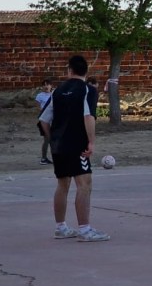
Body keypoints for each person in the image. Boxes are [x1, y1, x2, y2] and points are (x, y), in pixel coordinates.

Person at [38, 55, 110, 242]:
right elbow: (89, 116)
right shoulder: (88, 90)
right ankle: (85, 230)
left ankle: (60, 227)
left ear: (69, 70)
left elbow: (43, 120)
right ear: (86, 71)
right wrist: (91, 142)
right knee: (84, 184)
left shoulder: (58, 91)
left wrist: (52, 138)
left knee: (62, 184)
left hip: (58, 145)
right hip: (77, 144)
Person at [35, 78, 54, 165]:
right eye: (44, 85)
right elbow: (39, 108)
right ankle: (43, 158)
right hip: (45, 119)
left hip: (53, 119)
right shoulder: (40, 96)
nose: (46, 86)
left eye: (48, 84)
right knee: (47, 139)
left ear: (51, 86)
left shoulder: (54, 94)